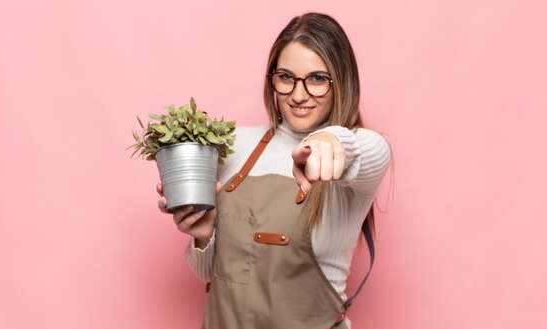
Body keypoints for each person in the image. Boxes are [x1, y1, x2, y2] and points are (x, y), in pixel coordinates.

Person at [157, 12, 391, 329]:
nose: (298, 94)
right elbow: (219, 277)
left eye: (317, 79)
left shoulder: (353, 157)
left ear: (341, 82)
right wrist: (203, 236)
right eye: (286, 77)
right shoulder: (236, 145)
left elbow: (374, 149)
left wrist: (331, 139)